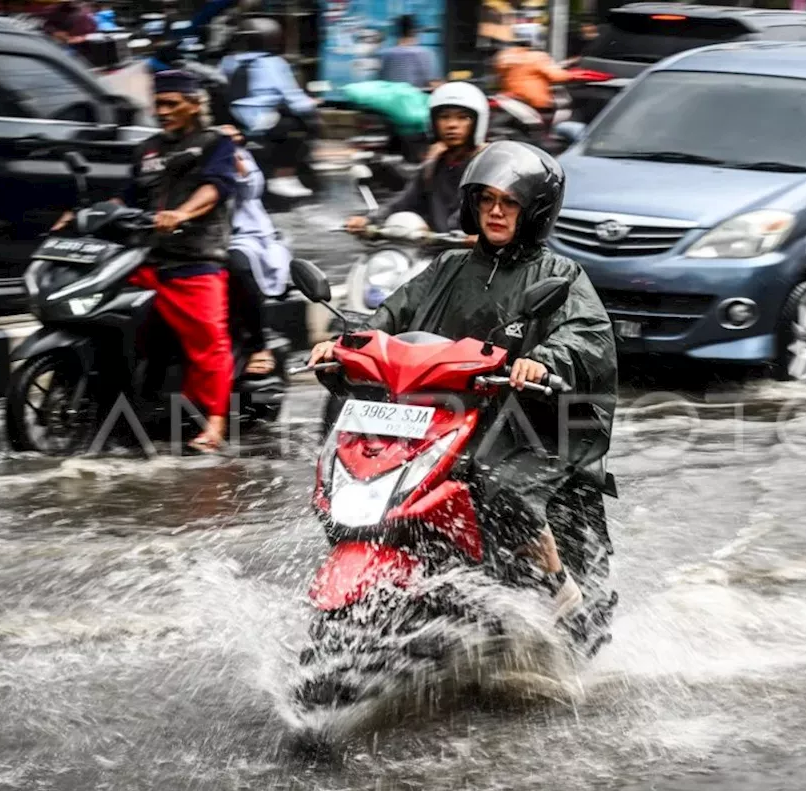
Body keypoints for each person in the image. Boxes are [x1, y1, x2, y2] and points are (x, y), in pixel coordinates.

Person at [310, 141, 617, 619]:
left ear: (535, 211)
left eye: (509, 202)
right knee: (358, 464)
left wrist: (542, 359)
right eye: (487, 200)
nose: (495, 211)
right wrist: (343, 343)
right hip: (433, 415)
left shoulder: (560, 274)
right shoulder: (449, 267)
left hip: (517, 422)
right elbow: (388, 316)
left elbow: (587, 335)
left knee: (498, 483)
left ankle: (558, 584)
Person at [56, 70, 238, 453]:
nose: (163, 111)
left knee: (208, 339)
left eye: (172, 104)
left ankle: (216, 422)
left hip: (194, 258)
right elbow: (128, 196)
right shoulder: (148, 150)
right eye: (158, 103)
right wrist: (86, 214)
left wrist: (182, 214)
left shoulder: (214, 144)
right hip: (144, 258)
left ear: (194, 105)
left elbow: (215, 188)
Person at [345, 81, 490, 237]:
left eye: (463, 118)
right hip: (437, 249)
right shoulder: (433, 166)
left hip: (477, 253)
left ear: (477, 122)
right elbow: (404, 202)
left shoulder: (489, 164)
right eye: (444, 117)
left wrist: (473, 232)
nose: (452, 125)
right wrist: (369, 220)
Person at [218, 123, 293, 377]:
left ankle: (258, 343)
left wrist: (229, 151)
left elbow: (249, 186)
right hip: (189, 233)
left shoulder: (233, 156)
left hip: (241, 234)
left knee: (238, 267)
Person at [220, 17, 320, 199]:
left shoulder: (229, 61)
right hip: (264, 122)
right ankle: (284, 176)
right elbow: (291, 97)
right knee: (300, 123)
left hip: (233, 118)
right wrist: (312, 104)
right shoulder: (274, 63)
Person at [494, 39, 571, 124]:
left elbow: (499, 76)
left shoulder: (505, 56)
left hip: (511, 97)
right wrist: (568, 74)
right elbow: (558, 76)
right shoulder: (537, 57)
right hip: (533, 101)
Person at [377, 14, 439, 90]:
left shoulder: (384, 54)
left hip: (388, 99)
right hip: (414, 100)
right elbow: (434, 84)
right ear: (414, 32)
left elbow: (380, 82)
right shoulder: (424, 54)